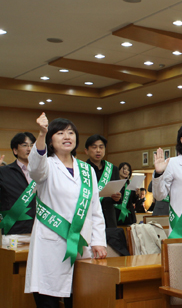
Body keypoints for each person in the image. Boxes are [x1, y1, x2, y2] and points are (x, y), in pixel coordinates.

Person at [26, 113, 106, 308]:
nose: (67, 136)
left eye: (71, 132)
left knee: (80, 298)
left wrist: (98, 241)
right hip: (51, 244)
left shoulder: (86, 171)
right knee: (49, 299)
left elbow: (95, 209)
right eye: (60, 133)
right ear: (51, 140)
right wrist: (41, 134)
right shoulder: (47, 166)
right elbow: (35, 168)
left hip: (81, 243)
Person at [0, 132, 37, 235]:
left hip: (41, 230)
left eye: (32, 145)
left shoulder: (43, 171)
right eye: (24, 145)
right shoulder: (4, 172)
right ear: (15, 150)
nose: (29, 149)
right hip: (14, 230)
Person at [84, 134, 121, 228]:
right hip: (88, 217)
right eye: (94, 147)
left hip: (109, 219)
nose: (98, 150)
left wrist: (117, 197)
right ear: (86, 151)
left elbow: (119, 194)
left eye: (101, 147)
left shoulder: (113, 169)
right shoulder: (81, 169)